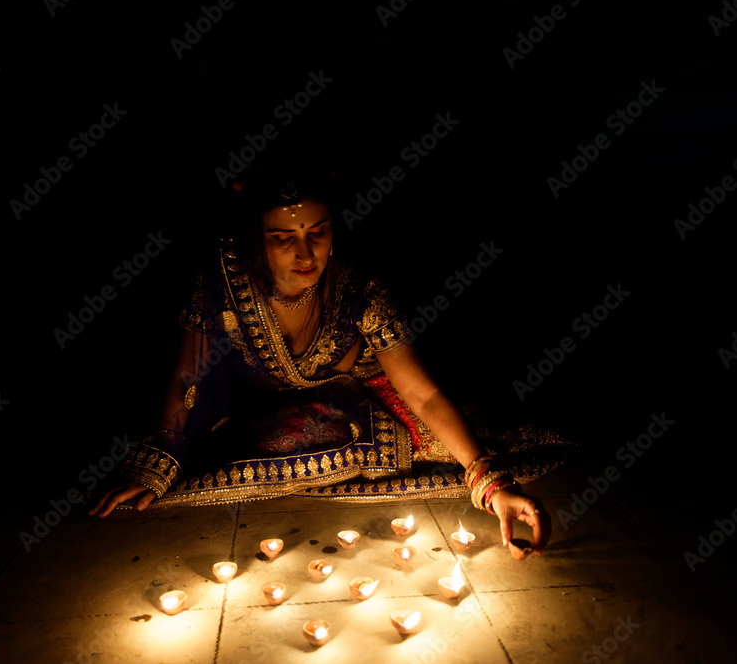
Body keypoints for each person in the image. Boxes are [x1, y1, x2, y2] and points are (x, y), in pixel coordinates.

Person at [88, 166, 567, 556]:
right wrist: (162, 455)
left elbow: (421, 391)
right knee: (219, 451)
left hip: (357, 396)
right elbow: (187, 375)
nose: (305, 253)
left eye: (318, 232)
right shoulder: (222, 278)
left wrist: (488, 480)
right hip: (267, 406)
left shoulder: (358, 286)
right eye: (282, 238)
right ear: (256, 238)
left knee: (456, 445)